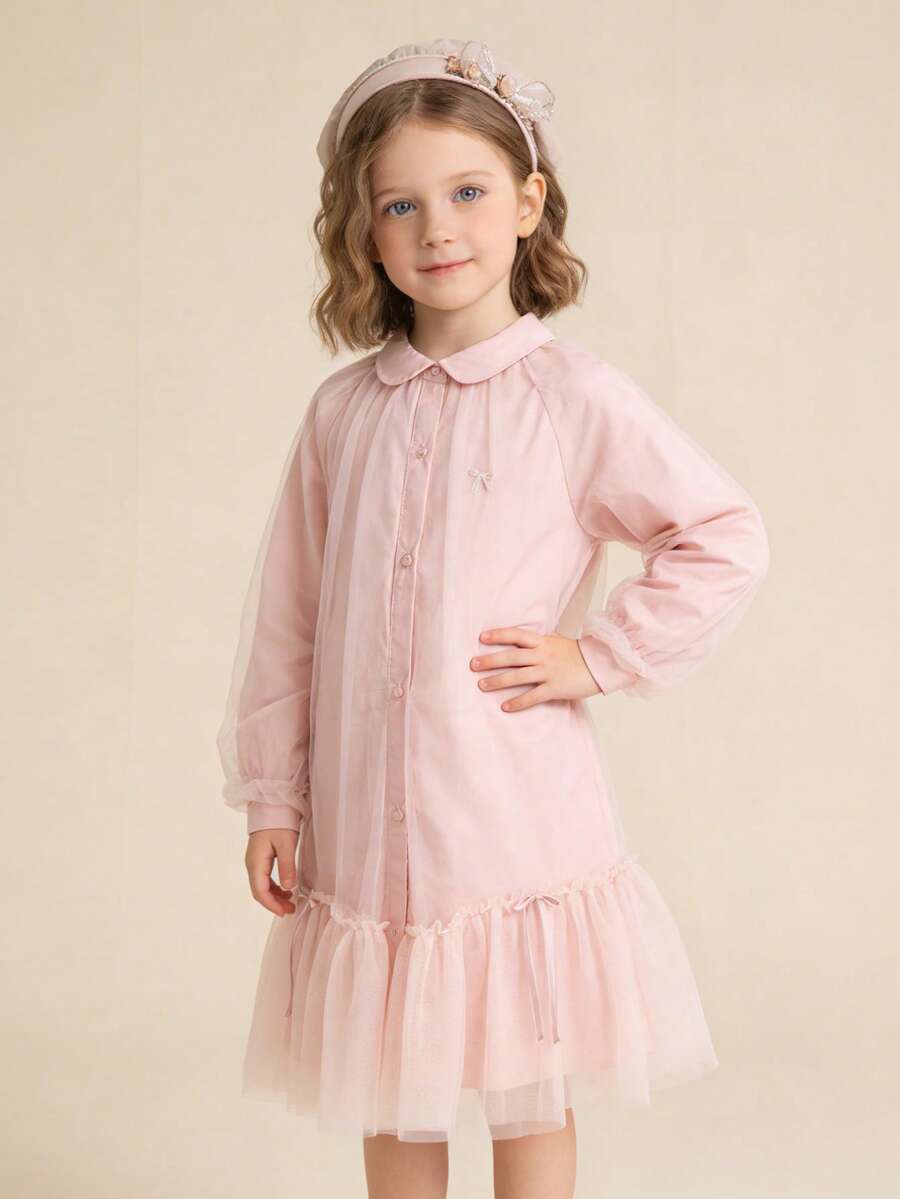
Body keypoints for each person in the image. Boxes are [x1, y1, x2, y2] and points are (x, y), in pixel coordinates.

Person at [215, 37, 770, 1199]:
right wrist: (274, 794)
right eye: (401, 204)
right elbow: (290, 617)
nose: (438, 228)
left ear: (527, 202)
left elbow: (721, 531)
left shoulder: (572, 397)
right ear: (367, 232)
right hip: (365, 824)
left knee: (528, 1078)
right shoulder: (343, 413)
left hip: (511, 814)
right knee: (388, 1072)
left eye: (467, 192)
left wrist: (600, 653)